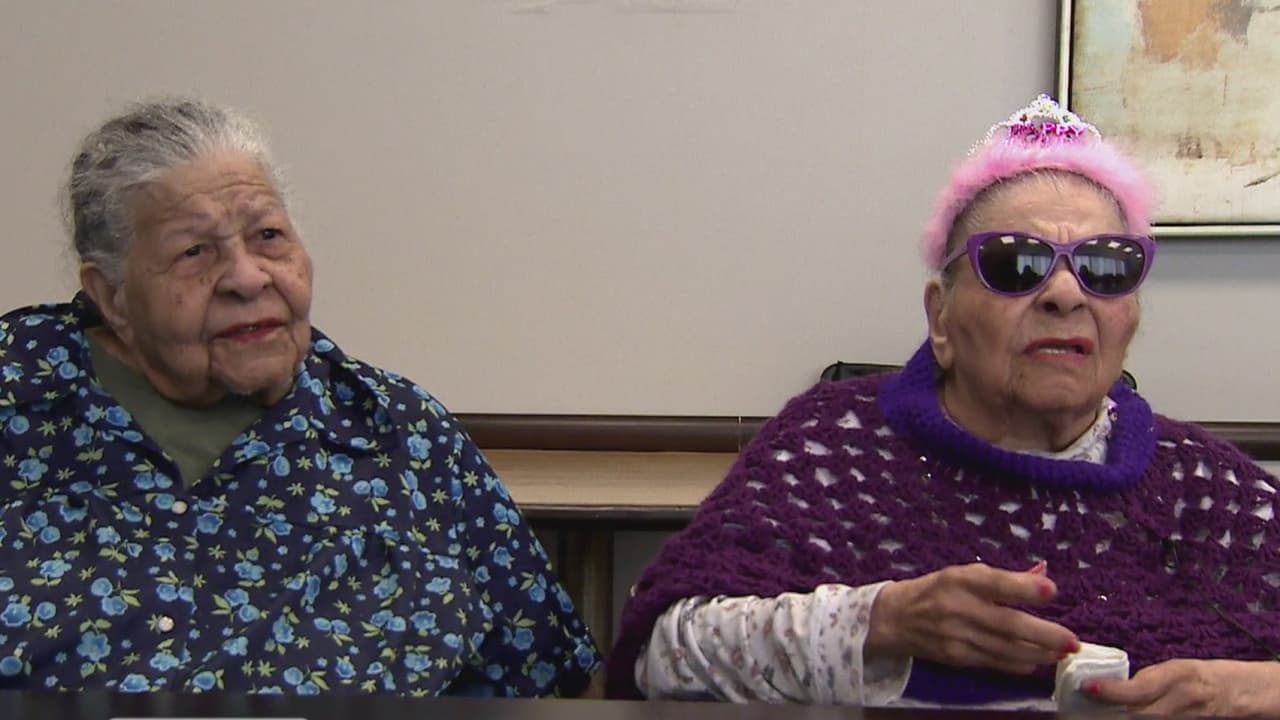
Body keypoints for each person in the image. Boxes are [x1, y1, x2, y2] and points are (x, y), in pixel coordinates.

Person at [606, 95, 1280, 716]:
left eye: (1105, 266)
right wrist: (878, 622)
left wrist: (1256, 689)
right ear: (941, 318)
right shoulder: (832, 445)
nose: (1066, 294)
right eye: (1016, 265)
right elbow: (661, 653)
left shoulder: (1205, 489)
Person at [0, 98, 600, 696]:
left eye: (268, 236)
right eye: (195, 252)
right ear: (112, 296)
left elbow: (543, 682)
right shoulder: (19, 404)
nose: (248, 277)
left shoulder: (399, 433)